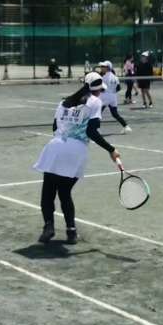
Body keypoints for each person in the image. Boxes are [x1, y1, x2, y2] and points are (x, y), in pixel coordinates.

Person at [34, 72, 121, 244]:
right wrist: (111, 150)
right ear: (98, 90)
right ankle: (71, 231)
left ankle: (48, 227)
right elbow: (91, 131)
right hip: (76, 151)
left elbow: (54, 127)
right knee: (65, 192)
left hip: (55, 147)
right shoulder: (95, 102)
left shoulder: (63, 102)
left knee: (48, 192)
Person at [98, 60, 132, 134]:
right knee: (115, 114)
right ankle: (126, 127)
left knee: (97, 113)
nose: (101, 67)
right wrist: (112, 91)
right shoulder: (115, 77)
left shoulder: (104, 77)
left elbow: (102, 88)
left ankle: (95, 130)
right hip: (113, 97)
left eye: (103, 66)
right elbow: (118, 88)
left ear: (108, 68)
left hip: (105, 96)